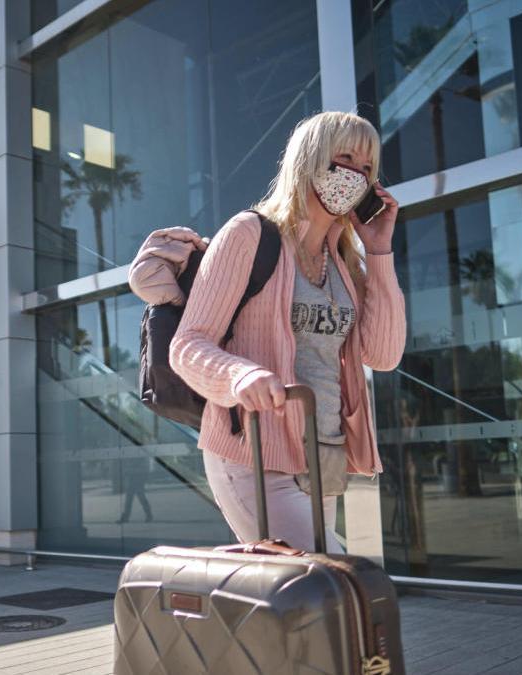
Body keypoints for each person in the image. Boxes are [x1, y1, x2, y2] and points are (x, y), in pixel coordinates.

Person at [164, 111, 406, 553]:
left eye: (367, 168)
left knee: (301, 611)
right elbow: (187, 345)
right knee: (336, 585)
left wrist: (379, 251)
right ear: (309, 161)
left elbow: (384, 355)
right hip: (254, 452)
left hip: (324, 454)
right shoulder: (249, 235)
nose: (356, 175)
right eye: (344, 158)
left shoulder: (345, 264)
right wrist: (239, 376)